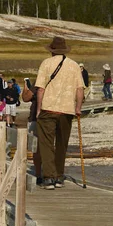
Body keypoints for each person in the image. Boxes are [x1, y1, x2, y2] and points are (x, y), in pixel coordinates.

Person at [35, 37, 84, 190]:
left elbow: (41, 89)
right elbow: (80, 89)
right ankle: (59, 176)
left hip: (48, 108)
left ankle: (49, 178)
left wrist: (38, 109)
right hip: (67, 110)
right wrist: (78, 107)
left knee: (46, 144)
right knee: (62, 144)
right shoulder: (74, 65)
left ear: (51, 50)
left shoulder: (46, 63)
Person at [22, 78, 42, 186]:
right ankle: (53, 175)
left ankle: (39, 174)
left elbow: (25, 98)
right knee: (49, 146)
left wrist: (25, 87)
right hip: (52, 116)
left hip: (36, 116)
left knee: (36, 148)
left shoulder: (39, 81)